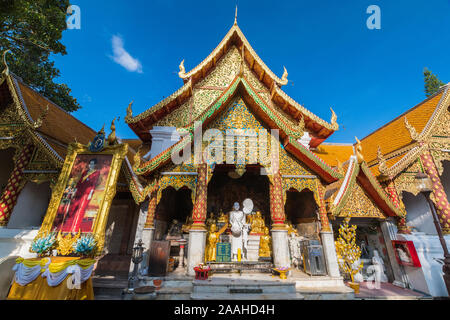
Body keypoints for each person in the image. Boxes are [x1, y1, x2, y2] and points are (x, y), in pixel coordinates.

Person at [61, 159, 101, 233]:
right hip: (79, 192)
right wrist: (75, 190)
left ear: (95, 165)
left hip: (87, 193)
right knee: (73, 208)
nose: (90, 165)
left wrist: (90, 193)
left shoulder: (96, 173)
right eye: (90, 164)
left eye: (92, 164)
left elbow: (94, 184)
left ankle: (75, 228)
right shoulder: (85, 172)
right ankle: (68, 227)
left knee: (81, 210)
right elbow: (79, 182)